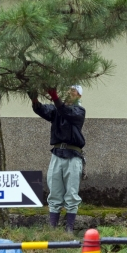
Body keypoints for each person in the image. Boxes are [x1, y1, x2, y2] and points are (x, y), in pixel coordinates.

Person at [30, 85, 85, 233]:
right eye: (68, 90)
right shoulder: (56, 110)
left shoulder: (79, 111)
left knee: (71, 194)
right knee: (54, 193)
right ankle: (53, 230)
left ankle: (69, 230)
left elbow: (66, 112)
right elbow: (42, 110)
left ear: (79, 96)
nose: (69, 93)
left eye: (74, 91)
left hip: (73, 156)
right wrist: (34, 98)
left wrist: (55, 97)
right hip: (56, 154)